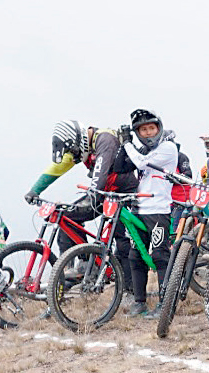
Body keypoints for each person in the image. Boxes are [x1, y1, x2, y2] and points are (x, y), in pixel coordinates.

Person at [23, 120, 138, 254]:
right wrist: (35, 190)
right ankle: (76, 265)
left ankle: (121, 272)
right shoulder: (81, 149)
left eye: (73, 151)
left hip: (124, 195)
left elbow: (99, 178)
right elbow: (56, 169)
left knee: (122, 242)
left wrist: (89, 201)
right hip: (104, 194)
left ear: (78, 141)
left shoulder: (105, 140)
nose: (73, 156)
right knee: (67, 217)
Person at [118, 109, 178, 317]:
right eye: (143, 130)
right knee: (135, 256)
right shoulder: (140, 151)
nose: (148, 133)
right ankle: (139, 302)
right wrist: (124, 146)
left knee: (160, 256)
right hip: (139, 209)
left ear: (159, 128)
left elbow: (142, 164)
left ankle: (165, 304)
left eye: (151, 128)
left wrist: (127, 144)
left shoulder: (168, 148)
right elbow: (123, 166)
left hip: (159, 210)